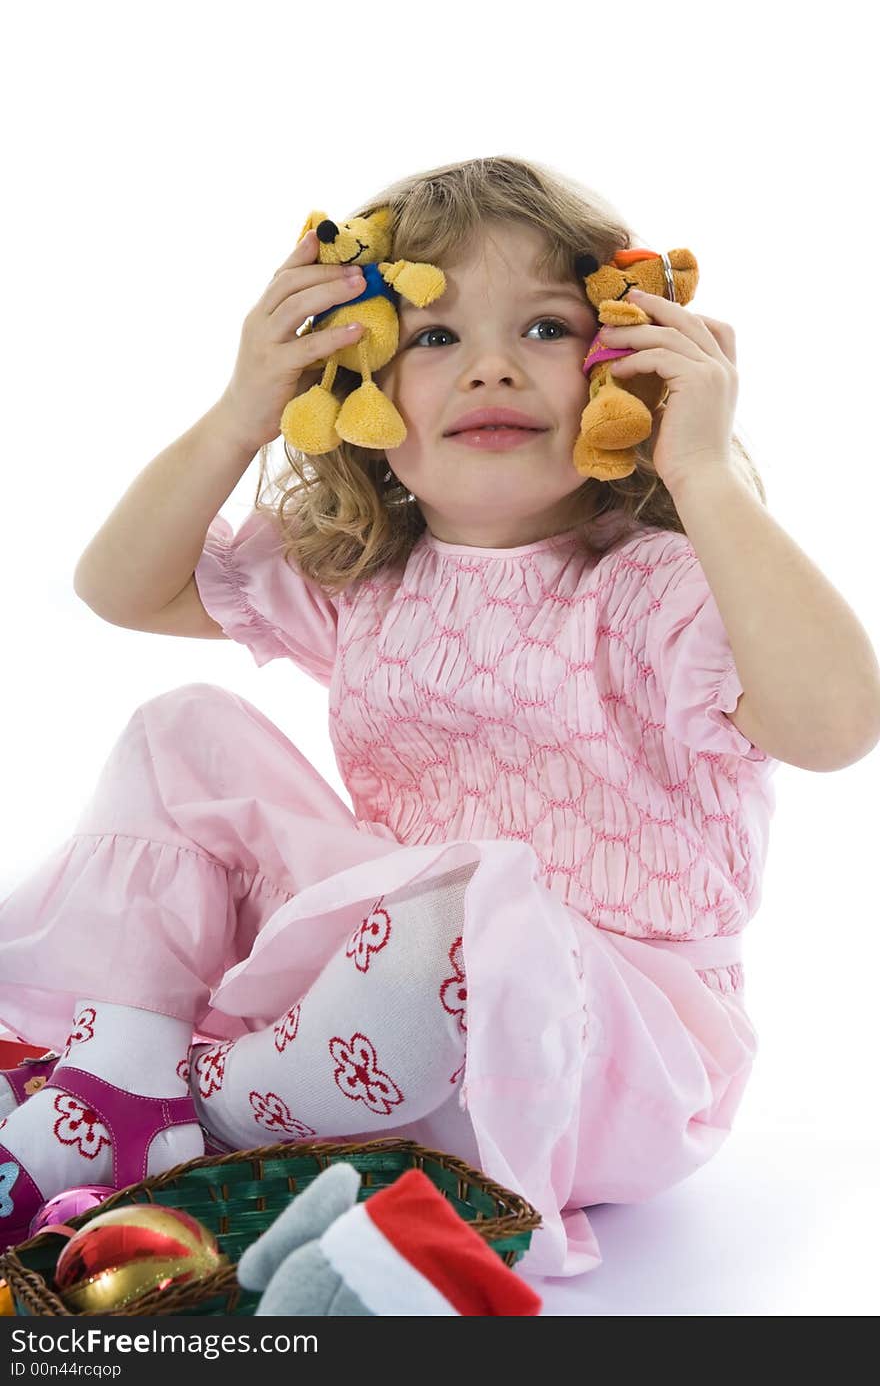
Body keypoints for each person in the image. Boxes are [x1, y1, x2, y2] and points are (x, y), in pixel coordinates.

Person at [1, 156, 878, 1276]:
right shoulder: (367, 578)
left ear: (624, 369)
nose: (494, 368)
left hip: (609, 1057)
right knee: (185, 732)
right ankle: (130, 1079)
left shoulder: (661, 585)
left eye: (548, 329)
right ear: (356, 390)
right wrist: (240, 413)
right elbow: (117, 587)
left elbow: (839, 722)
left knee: (472, 894)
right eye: (433, 338)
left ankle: (204, 1108)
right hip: (395, 1009)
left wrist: (704, 471)